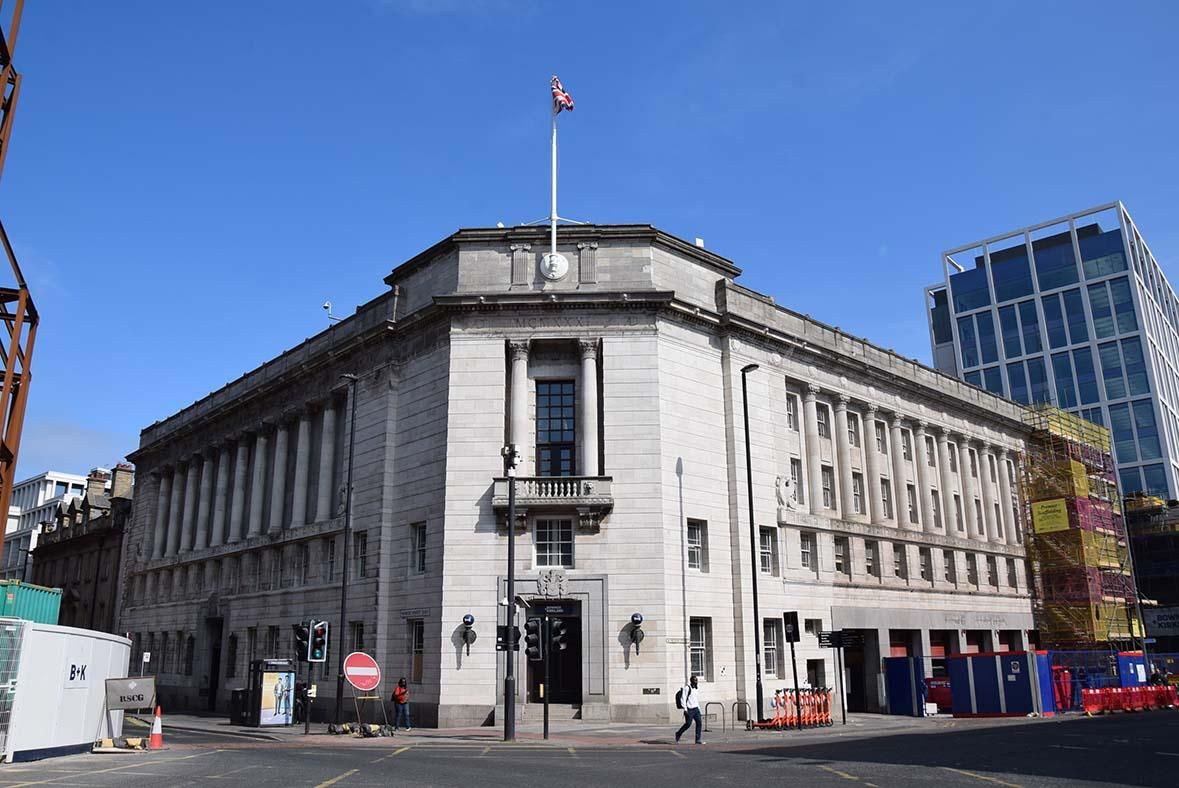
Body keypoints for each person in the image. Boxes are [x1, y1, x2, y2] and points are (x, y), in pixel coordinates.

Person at [675, 674, 704, 745]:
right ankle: (678, 733)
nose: (696, 681)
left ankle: (698, 739)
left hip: (696, 708)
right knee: (688, 724)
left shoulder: (696, 688)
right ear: (691, 681)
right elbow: (683, 698)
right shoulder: (687, 688)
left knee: (699, 723)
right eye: (695, 680)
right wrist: (685, 709)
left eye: (696, 680)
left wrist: (699, 708)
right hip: (689, 709)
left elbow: (695, 699)